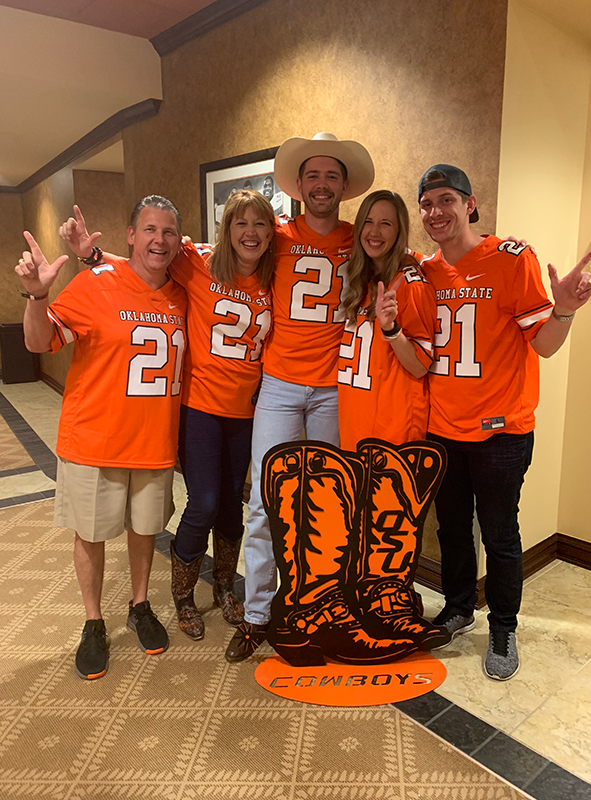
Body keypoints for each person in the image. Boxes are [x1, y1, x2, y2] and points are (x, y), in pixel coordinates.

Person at [59, 190, 276, 642]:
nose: (250, 233)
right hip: (198, 405)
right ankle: (181, 593)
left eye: (259, 224)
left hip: (247, 411)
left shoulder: (279, 277)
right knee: (204, 503)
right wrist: (93, 256)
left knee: (234, 507)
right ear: (225, 230)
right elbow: (144, 258)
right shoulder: (197, 262)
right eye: (240, 223)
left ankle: (223, 586)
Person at [417, 164, 591, 680]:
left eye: (447, 200)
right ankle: (456, 609)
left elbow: (540, 345)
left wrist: (562, 311)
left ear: (470, 204)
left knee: (499, 533)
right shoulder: (425, 272)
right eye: (427, 203)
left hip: (501, 430)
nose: (436, 212)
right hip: (443, 427)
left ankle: (503, 626)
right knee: (451, 528)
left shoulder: (510, 259)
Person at [15, 195, 187, 680]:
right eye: (149, 230)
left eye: (169, 231)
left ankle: (138, 605)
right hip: (94, 439)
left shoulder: (182, 291)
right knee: (90, 534)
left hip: (154, 442)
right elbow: (38, 341)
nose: (160, 240)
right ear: (130, 235)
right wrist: (35, 295)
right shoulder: (95, 284)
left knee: (145, 530)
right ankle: (93, 621)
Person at [225, 132, 375, 663]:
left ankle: (321, 607)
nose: (321, 184)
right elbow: (208, 254)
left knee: (330, 505)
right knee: (265, 501)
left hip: (336, 389)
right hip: (281, 387)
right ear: (299, 183)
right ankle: (257, 614)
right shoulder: (276, 236)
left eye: (331, 176)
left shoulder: (361, 238)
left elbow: (408, 259)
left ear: (344, 185)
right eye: (312, 175)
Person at [338, 189, 435, 449]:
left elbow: (419, 366)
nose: (375, 232)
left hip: (393, 431)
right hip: (355, 424)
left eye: (385, 224)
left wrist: (391, 329)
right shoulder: (359, 280)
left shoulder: (410, 284)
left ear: (399, 231)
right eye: (368, 222)